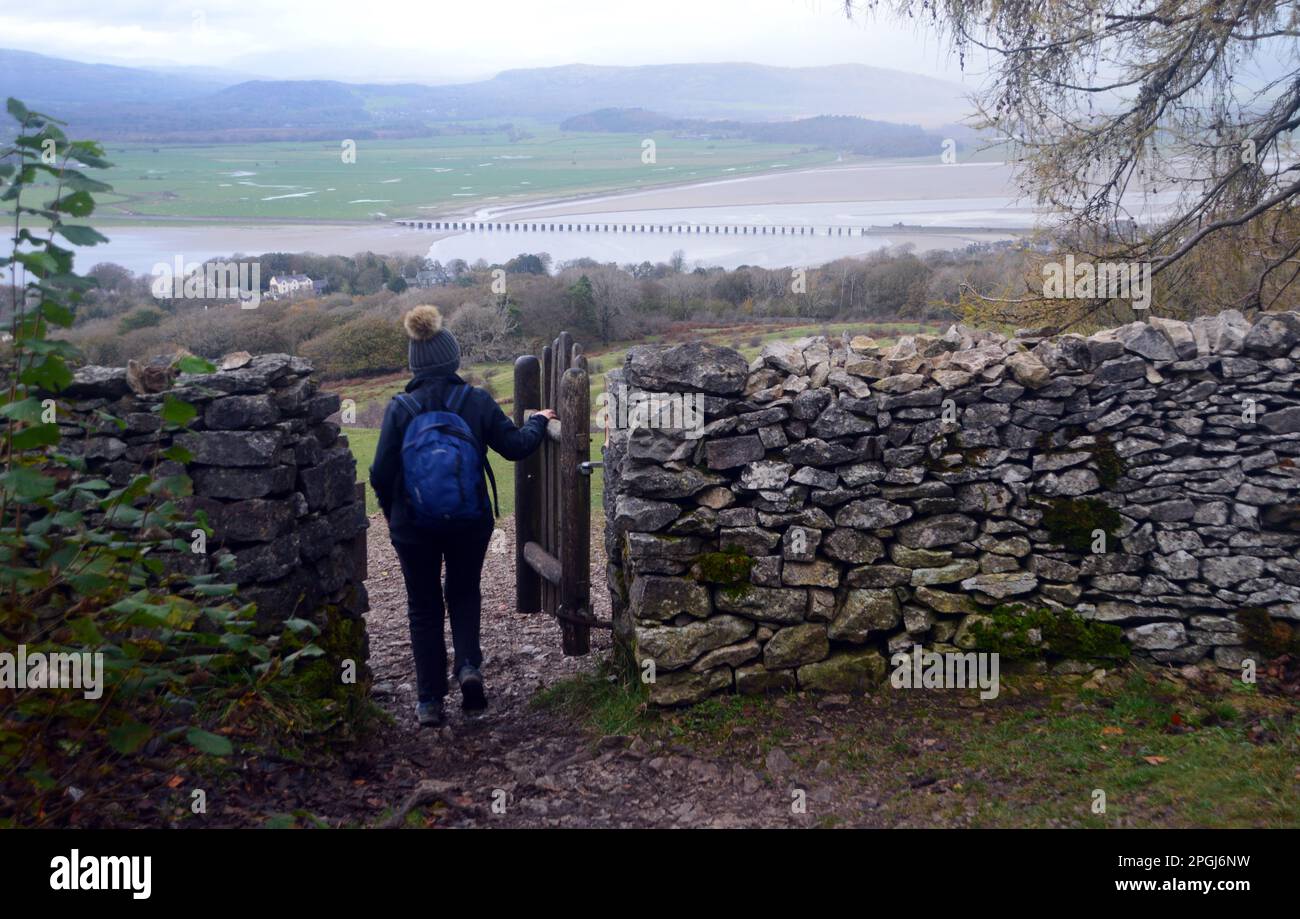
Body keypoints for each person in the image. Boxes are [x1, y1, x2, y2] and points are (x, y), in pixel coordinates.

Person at [370, 305, 554, 727]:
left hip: (412, 527)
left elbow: (381, 472)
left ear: (415, 362)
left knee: (423, 606)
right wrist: (540, 423)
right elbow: (515, 446)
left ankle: (430, 702)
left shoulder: (400, 408)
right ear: (453, 359)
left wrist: (393, 514)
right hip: (470, 521)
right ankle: (469, 667)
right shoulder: (475, 401)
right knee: (465, 593)